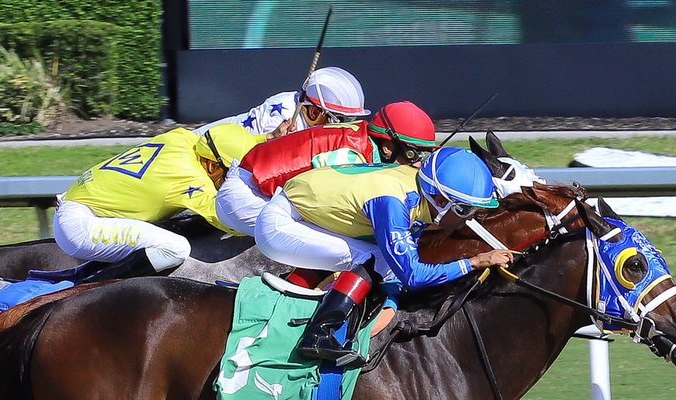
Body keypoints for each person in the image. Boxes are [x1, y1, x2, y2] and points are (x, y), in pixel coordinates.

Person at [255, 145, 514, 366]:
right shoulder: (392, 202)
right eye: (465, 210)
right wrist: (474, 262)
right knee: (373, 259)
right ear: (440, 200)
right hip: (280, 225)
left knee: (379, 258)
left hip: (302, 211)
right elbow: (413, 275)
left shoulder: (416, 191)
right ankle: (318, 335)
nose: (468, 219)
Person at [50, 123, 262, 283]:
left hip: (79, 205)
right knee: (175, 248)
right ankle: (85, 290)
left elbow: (230, 138)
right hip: (78, 226)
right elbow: (232, 219)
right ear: (211, 165)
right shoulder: (188, 178)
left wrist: (267, 138)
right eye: (231, 176)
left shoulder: (184, 138)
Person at [216, 100, 438, 237]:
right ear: (388, 147)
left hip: (258, 182)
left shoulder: (364, 140)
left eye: (425, 155)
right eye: (413, 154)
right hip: (248, 194)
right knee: (353, 245)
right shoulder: (352, 156)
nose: (418, 163)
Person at [194, 66, 369, 139]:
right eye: (340, 120)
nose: (345, 127)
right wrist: (277, 141)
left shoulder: (302, 110)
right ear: (315, 113)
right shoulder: (282, 117)